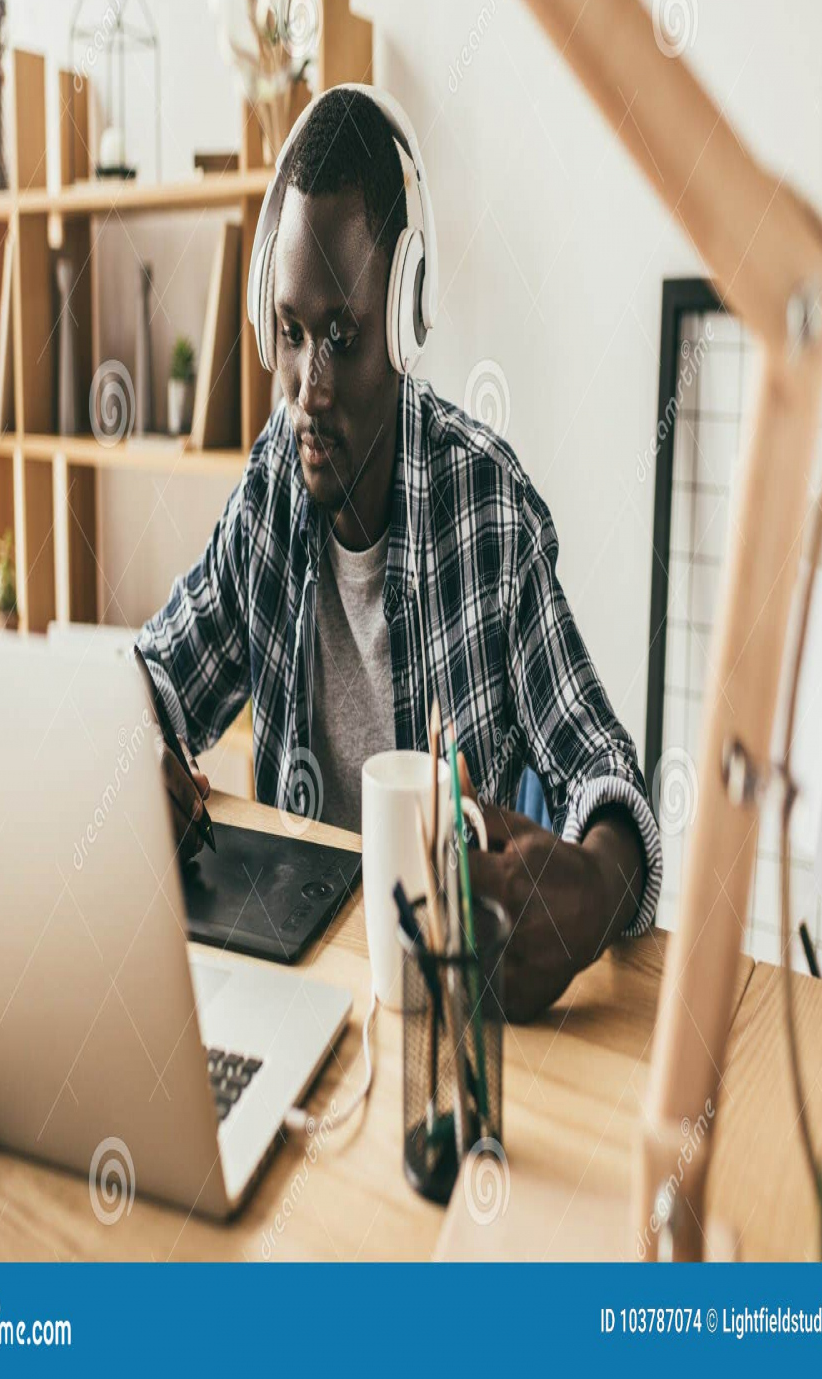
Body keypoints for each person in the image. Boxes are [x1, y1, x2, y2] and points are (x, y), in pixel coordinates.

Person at [138, 86, 661, 1020]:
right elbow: (155, 676)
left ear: (407, 320)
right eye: (292, 337)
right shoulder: (269, 492)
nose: (311, 389)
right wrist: (136, 744)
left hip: (444, 1013)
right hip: (300, 994)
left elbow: (603, 766)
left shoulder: (490, 512)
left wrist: (598, 888)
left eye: (343, 335)